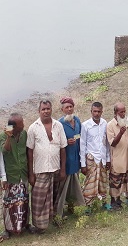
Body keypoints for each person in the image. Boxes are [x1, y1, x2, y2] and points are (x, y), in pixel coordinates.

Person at [27, 100, 67, 233]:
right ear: (39, 111)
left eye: (48, 108)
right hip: (40, 170)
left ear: (51, 109)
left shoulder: (58, 126)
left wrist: (63, 169)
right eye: (43, 109)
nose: (46, 111)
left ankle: (53, 220)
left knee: (54, 197)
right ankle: (39, 227)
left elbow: (62, 148)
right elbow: (30, 151)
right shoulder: (33, 128)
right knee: (39, 201)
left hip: (55, 168)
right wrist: (31, 174)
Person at [0, 113, 29, 240]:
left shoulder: (24, 134)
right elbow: (4, 151)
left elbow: (27, 151)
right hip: (11, 175)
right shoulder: (3, 136)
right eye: (21, 123)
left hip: (23, 173)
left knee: (24, 201)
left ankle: (24, 225)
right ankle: (7, 229)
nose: (23, 124)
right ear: (14, 126)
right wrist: (8, 137)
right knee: (8, 203)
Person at [56, 97, 85, 219]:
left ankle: (72, 206)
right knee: (63, 186)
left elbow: (80, 136)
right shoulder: (59, 124)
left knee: (74, 184)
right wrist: (66, 142)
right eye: (66, 107)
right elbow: (56, 142)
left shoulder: (77, 120)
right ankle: (58, 212)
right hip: (65, 161)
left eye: (71, 107)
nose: (69, 109)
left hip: (76, 158)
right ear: (62, 109)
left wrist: (76, 138)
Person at [80, 102, 110, 209]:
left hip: (102, 159)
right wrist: (82, 164)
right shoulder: (85, 125)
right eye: (94, 111)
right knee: (90, 184)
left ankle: (103, 203)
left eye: (99, 111)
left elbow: (106, 143)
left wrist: (108, 159)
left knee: (102, 182)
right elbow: (82, 145)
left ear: (102, 112)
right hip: (91, 159)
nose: (96, 114)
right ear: (91, 112)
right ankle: (88, 205)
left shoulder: (104, 123)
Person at [106, 103, 128, 210]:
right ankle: (113, 201)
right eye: (121, 112)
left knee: (123, 179)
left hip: (125, 156)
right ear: (115, 113)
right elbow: (113, 143)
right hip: (116, 157)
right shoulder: (110, 125)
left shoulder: (125, 122)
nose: (123, 114)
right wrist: (120, 133)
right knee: (115, 180)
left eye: (124, 111)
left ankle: (119, 199)